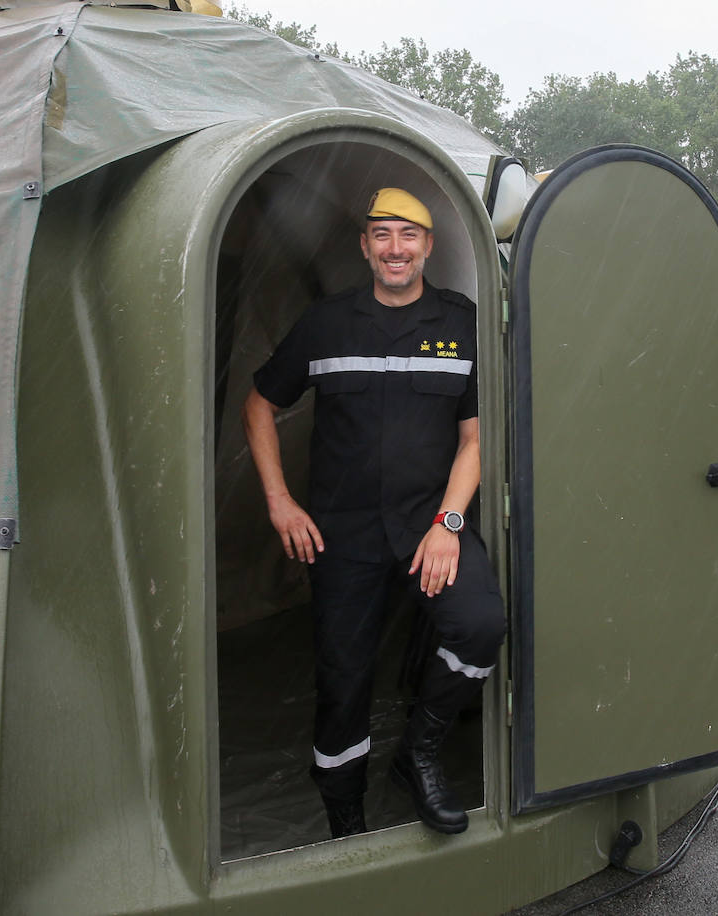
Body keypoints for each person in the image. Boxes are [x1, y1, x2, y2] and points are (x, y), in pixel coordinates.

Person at [242, 188, 506, 839]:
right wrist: (279, 501)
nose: (395, 248)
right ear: (365, 246)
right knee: (342, 682)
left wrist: (449, 526)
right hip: (344, 531)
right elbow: (258, 404)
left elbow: (475, 438)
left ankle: (418, 754)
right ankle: (346, 819)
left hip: (429, 524)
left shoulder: (459, 322)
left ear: (428, 247)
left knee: (479, 624)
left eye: (408, 235)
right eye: (382, 234)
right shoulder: (326, 323)